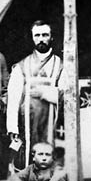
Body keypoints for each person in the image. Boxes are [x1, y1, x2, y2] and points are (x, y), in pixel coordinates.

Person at [7, 20, 66, 168]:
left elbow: (68, 96)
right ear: (32, 38)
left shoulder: (61, 65)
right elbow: (13, 99)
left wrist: (46, 93)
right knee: (28, 159)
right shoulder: (21, 66)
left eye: (45, 35)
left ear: (51, 37)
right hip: (28, 123)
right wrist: (12, 127)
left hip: (51, 123)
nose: (41, 39)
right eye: (37, 35)